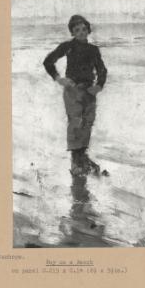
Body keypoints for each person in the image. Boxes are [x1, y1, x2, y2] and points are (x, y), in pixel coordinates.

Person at [43, 15, 108, 176]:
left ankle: (82, 156)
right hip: (72, 90)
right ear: (72, 32)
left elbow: (102, 70)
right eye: (77, 30)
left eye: (84, 29)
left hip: (89, 91)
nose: (81, 32)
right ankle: (76, 161)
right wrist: (59, 79)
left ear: (88, 30)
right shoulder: (68, 46)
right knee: (75, 123)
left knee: (88, 122)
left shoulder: (93, 50)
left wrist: (98, 86)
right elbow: (48, 62)